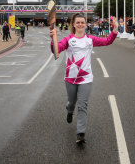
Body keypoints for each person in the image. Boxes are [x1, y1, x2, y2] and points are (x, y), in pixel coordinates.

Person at [49, 13, 118, 144]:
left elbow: (107, 41)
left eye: (82, 22)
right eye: (78, 22)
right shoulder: (68, 40)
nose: (80, 24)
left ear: (86, 24)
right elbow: (56, 50)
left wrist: (115, 29)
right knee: (72, 102)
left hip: (86, 78)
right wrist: (53, 39)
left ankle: (81, 133)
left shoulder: (90, 40)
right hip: (70, 78)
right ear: (74, 24)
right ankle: (69, 110)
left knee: (82, 105)